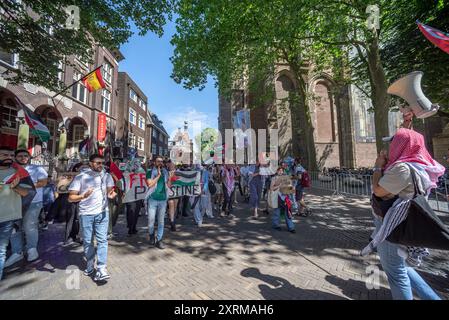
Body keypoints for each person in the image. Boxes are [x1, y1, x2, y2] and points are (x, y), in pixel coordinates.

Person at [371, 128, 444, 300]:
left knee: (396, 275)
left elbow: (378, 191)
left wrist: (376, 167)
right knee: (402, 267)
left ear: (401, 146)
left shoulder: (402, 169)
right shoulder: (420, 164)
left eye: (393, 143)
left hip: (392, 226)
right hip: (402, 222)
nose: (390, 146)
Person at [68, 154, 116, 282]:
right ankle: (90, 265)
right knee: (88, 241)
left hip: (102, 213)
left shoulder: (107, 176)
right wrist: (83, 196)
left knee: (102, 240)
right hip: (86, 214)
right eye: (97, 163)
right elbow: (70, 197)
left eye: (102, 163)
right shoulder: (81, 177)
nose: (100, 165)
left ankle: (101, 268)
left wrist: (111, 195)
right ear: (90, 163)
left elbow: (109, 192)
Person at [6, 149, 48, 266]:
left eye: (26, 156)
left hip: (33, 202)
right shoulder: (10, 169)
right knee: (14, 227)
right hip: (13, 202)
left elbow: (43, 182)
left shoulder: (37, 168)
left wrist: (25, 186)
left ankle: (31, 249)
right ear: (15, 157)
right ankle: (17, 252)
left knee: (30, 226)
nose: (23, 158)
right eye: (20, 156)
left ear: (29, 157)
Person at [0, 146, 34, 280]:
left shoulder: (20, 172)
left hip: (7, 217)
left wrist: (16, 187)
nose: (8, 157)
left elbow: (28, 193)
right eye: (4, 154)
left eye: (10, 154)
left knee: (1, 251)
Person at [146, 157, 173, 249]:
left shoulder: (165, 172)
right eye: (158, 161)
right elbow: (149, 184)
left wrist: (170, 178)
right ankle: (151, 235)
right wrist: (158, 175)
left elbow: (169, 186)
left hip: (162, 200)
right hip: (152, 199)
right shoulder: (150, 172)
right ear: (154, 162)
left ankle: (159, 239)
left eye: (162, 161)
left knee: (161, 221)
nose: (160, 163)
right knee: (151, 221)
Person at [166, 160, 179, 231]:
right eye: (170, 164)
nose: (172, 165)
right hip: (169, 192)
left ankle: (172, 218)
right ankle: (172, 222)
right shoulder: (166, 172)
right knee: (171, 205)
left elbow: (181, 182)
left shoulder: (179, 172)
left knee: (175, 207)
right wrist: (169, 178)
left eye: (173, 164)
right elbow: (167, 184)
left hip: (177, 192)